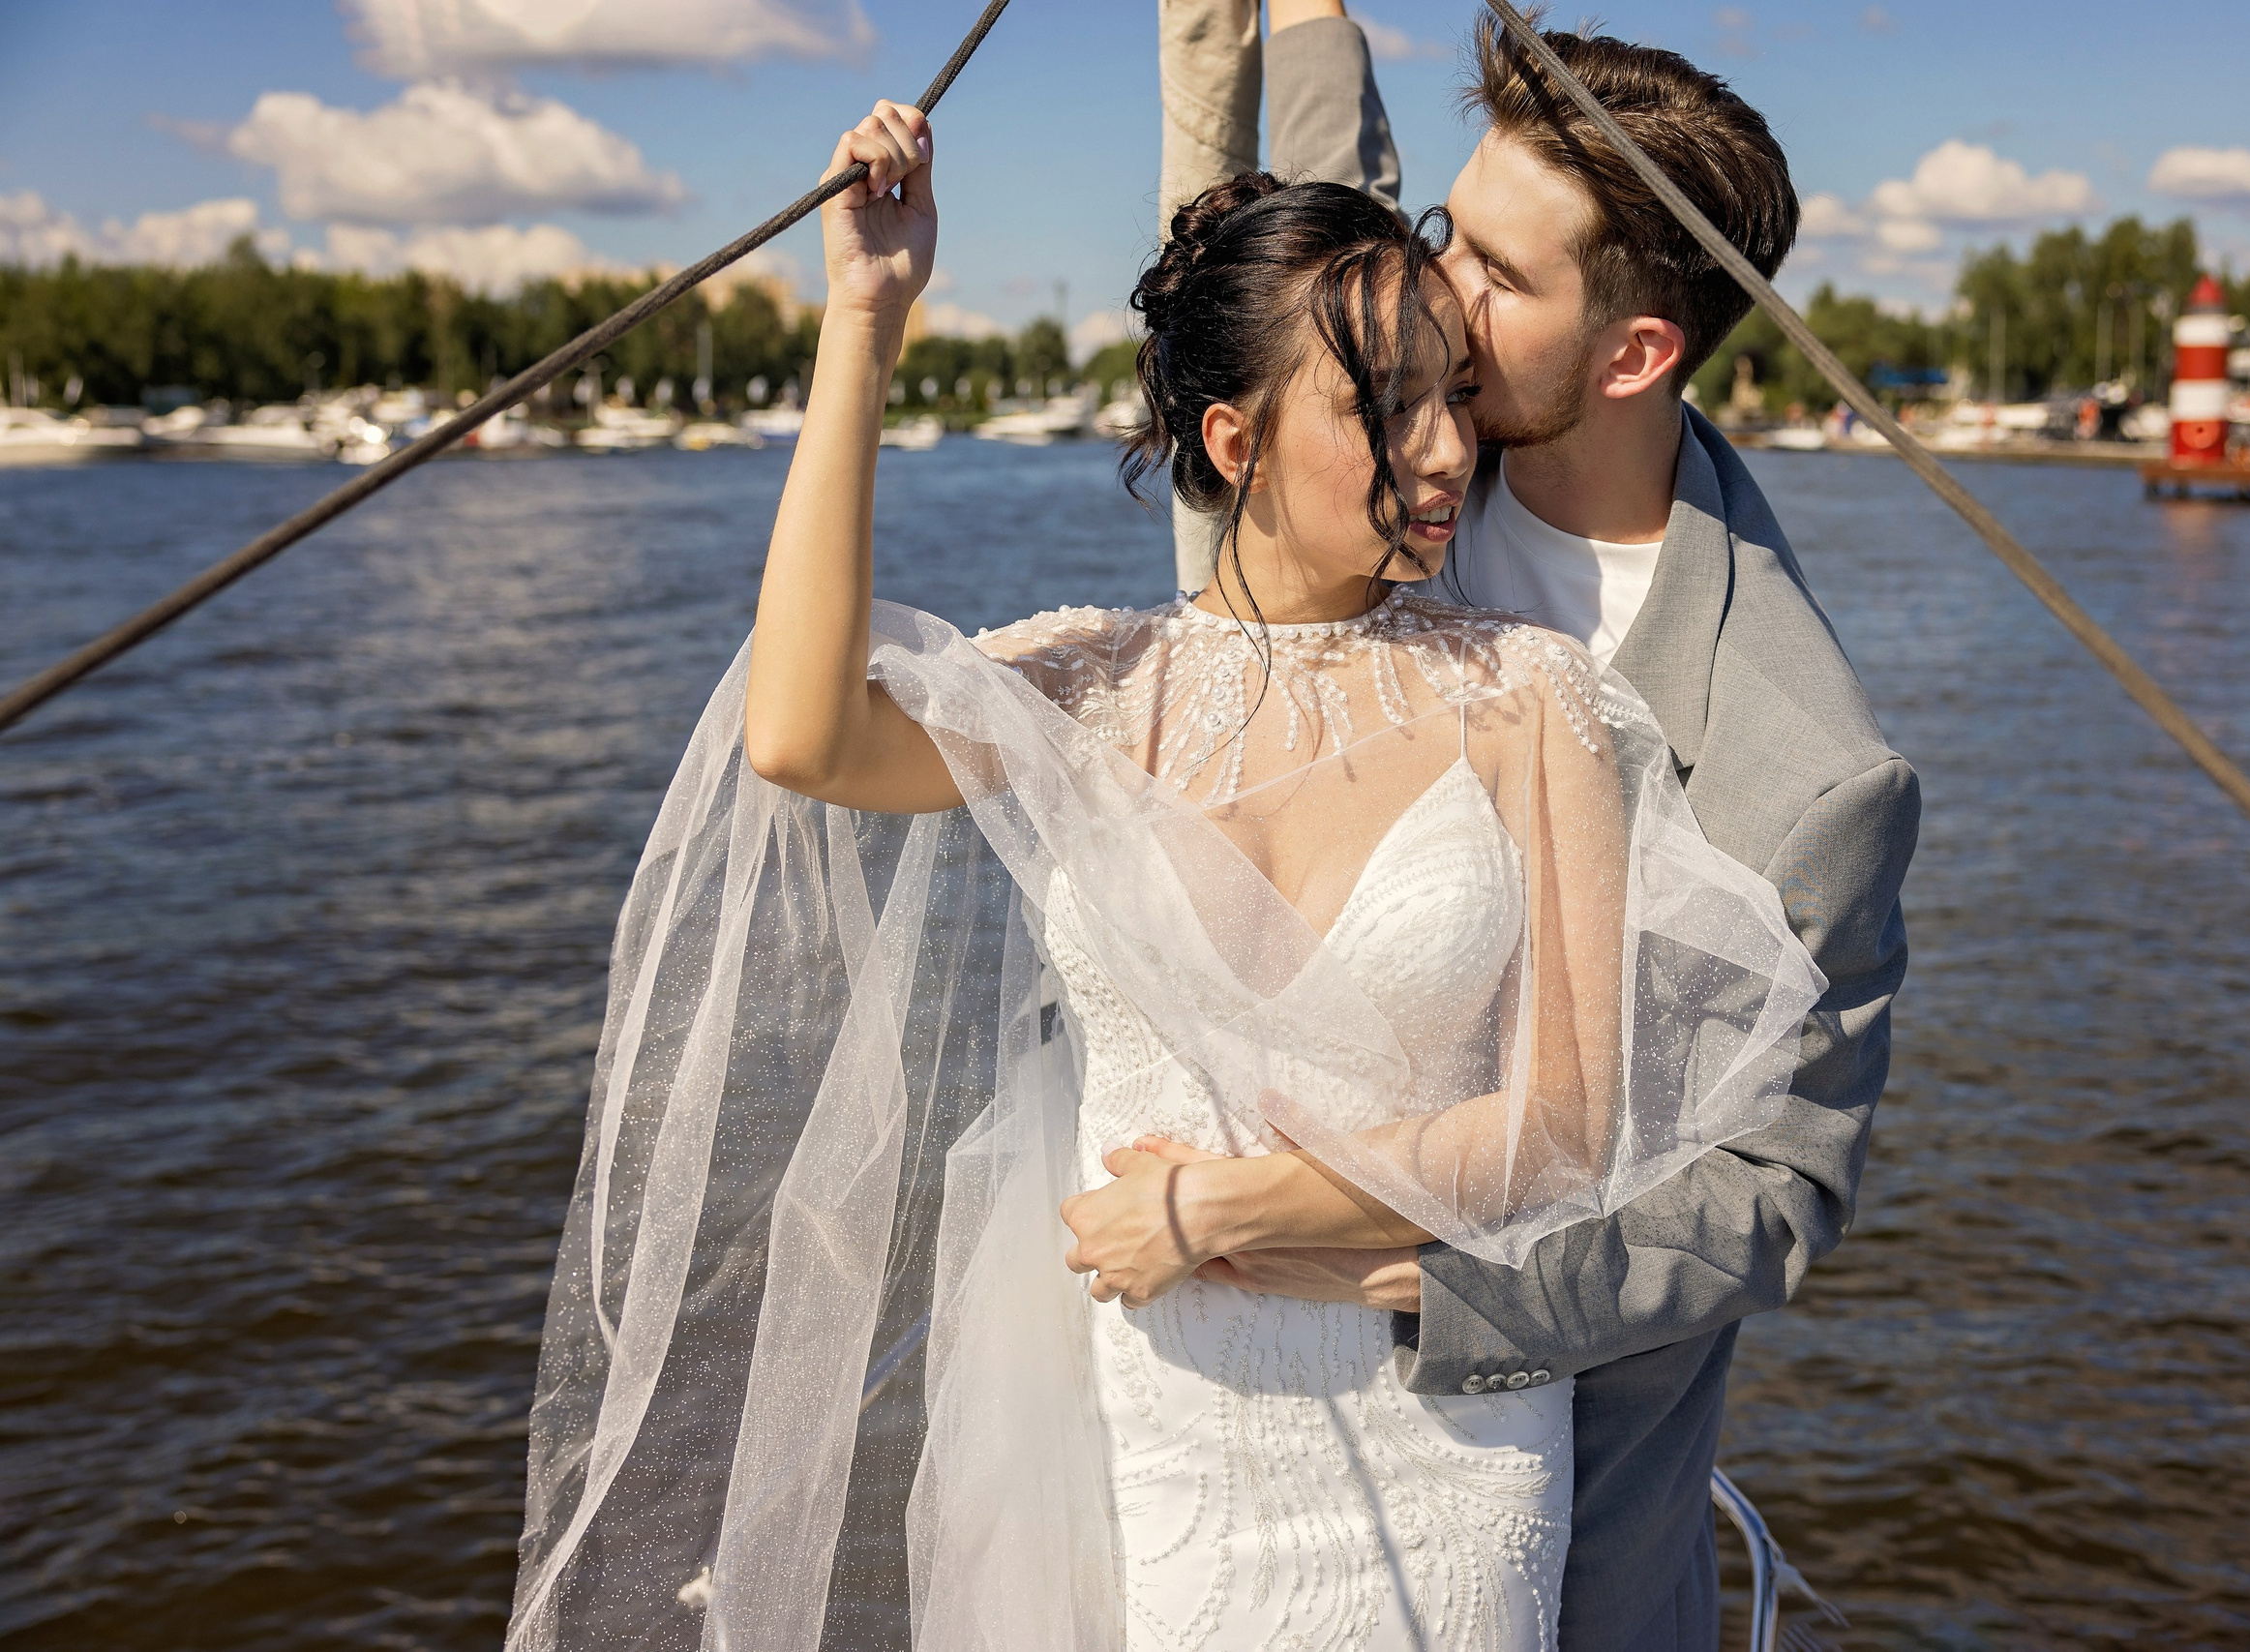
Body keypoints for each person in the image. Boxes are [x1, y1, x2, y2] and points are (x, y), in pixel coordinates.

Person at [504, 102, 1822, 1652]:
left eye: (1454, 395)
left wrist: (1209, 1209)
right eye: (1388, 410)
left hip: (1446, 1446)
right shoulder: (1094, 686)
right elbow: (799, 736)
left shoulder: (1533, 699)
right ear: (1234, 442)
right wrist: (863, 317)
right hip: (1163, 1437)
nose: (1450, 446)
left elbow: (1561, 1126)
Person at [1107, 9, 1923, 1645]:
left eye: (1493, 272)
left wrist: (1402, 1276)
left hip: (1521, 1488)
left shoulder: (1808, 768)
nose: (1430, 297)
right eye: (1440, 236)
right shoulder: (1361, 436)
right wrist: (1297, 27)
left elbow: (1772, 1196)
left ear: (1632, 354)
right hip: (1184, 1393)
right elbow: (1292, 214)